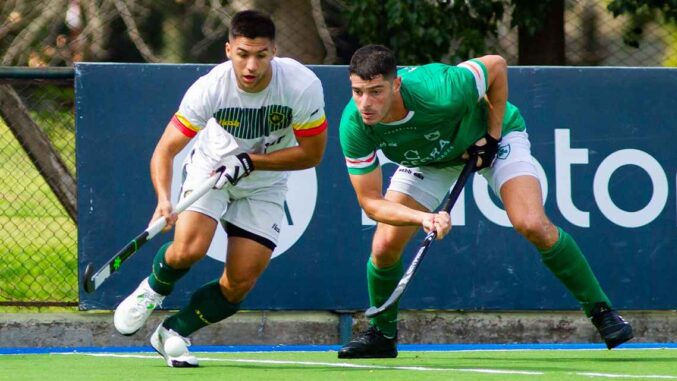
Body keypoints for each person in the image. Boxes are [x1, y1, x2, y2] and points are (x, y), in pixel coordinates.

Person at [337, 44, 633, 359]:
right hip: (427, 159)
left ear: (396, 85)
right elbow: (370, 202)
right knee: (383, 246)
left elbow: (496, 66)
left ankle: (602, 312)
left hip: (492, 138)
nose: (366, 103)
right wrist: (423, 218)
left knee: (531, 223)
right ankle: (382, 334)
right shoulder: (354, 124)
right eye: (358, 92)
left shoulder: (440, 90)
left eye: (376, 92)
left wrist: (491, 138)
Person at [113, 10, 328, 368]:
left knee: (239, 283)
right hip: (210, 171)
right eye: (243, 54)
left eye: (261, 55)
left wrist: (253, 161)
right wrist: (164, 200)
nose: (251, 65)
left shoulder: (301, 86)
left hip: (265, 184)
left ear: (274, 51)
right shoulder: (210, 88)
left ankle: (173, 331)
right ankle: (152, 289)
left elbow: (312, 154)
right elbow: (165, 151)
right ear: (228, 50)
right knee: (188, 250)